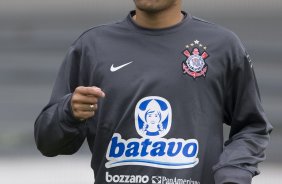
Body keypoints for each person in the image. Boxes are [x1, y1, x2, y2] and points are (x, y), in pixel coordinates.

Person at [34, 0, 272, 183]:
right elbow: (48, 142)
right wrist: (69, 113)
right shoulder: (93, 46)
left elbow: (253, 127)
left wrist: (233, 172)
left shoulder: (222, 45)